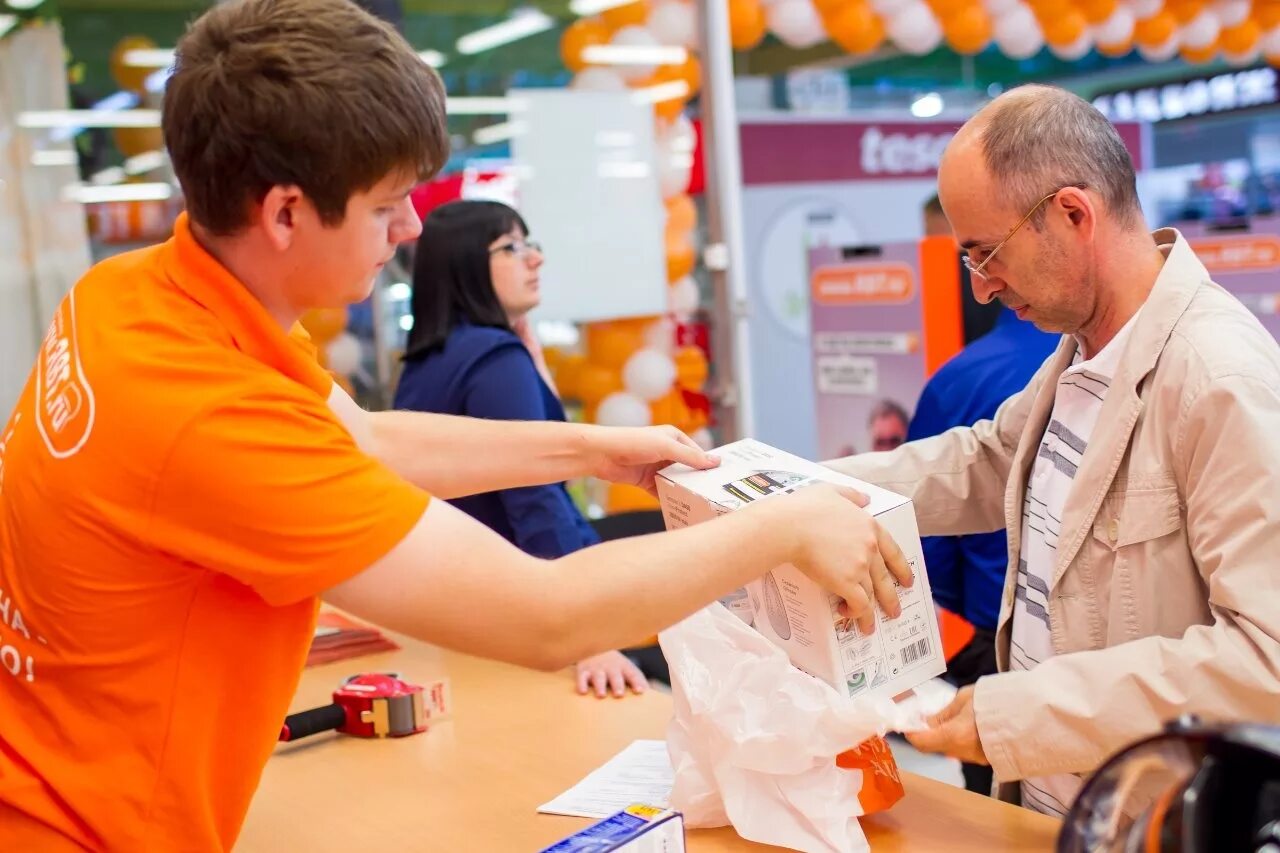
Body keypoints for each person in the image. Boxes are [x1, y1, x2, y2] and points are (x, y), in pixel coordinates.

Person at [0, 1, 914, 849]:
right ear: (283, 212)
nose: (407, 229)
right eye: (384, 203)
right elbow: (547, 614)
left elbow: (367, 439)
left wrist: (593, 445)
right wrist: (783, 525)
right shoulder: (207, 414)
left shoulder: (133, 291)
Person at [829, 84, 1280, 816]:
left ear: (1073, 214)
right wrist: (788, 491)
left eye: (986, 253)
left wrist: (1019, 714)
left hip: (1155, 822)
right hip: (1060, 809)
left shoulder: (1218, 380)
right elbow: (990, 457)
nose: (980, 289)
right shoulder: (1085, 347)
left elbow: (1268, 661)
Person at [393, 200, 645, 700]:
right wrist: (587, 635)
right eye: (511, 247)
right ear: (464, 264)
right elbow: (535, 497)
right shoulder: (494, 360)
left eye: (530, 245)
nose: (535, 259)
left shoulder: (428, 361)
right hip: (522, 608)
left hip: (464, 607)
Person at [907, 303, 1059, 797]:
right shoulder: (1091, 363)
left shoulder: (960, 375)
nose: (979, 284)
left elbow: (927, 548)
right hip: (1115, 667)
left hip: (998, 642)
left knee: (998, 811)